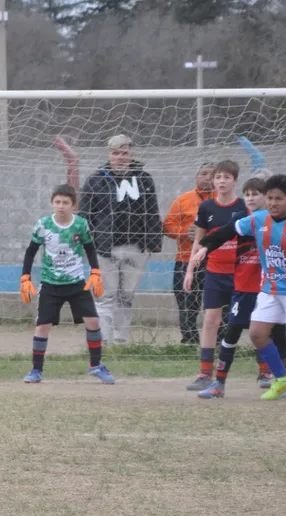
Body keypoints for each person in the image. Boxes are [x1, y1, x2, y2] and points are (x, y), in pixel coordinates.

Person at [192, 177, 286, 399]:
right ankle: (282, 379)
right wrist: (206, 247)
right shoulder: (258, 220)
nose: (273, 203)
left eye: (278, 199)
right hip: (269, 290)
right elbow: (227, 231)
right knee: (256, 334)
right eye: (270, 198)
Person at [20, 184, 114, 385]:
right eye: (57, 202)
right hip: (50, 284)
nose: (61, 206)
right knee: (42, 326)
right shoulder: (44, 225)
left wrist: (95, 272)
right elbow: (30, 251)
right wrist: (25, 278)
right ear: (52, 204)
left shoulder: (80, 224)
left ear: (73, 205)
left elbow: (90, 248)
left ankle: (96, 366)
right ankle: (36, 370)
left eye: (65, 203)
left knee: (93, 322)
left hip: (77, 283)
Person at [79, 134, 162, 344]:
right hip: (105, 248)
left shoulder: (144, 179)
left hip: (136, 247)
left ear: (131, 153)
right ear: (109, 154)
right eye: (116, 153)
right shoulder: (96, 179)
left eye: (124, 153)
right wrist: (88, 244)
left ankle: (121, 341)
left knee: (126, 296)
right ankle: (103, 340)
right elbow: (85, 215)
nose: (120, 157)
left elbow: (152, 212)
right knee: (106, 295)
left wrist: (151, 244)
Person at [183, 160, 247, 391]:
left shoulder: (244, 207)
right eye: (218, 177)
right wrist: (190, 270)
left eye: (226, 177)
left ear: (234, 181)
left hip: (241, 274)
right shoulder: (207, 207)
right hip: (214, 273)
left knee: (253, 321)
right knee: (211, 321)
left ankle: (266, 372)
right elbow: (199, 241)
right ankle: (204, 373)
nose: (221, 181)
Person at [162, 162, 213, 344]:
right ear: (196, 177)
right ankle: (189, 341)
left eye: (212, 174)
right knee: (186, 303)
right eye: (204, 173)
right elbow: (167, 226)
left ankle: (216, 341)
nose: (207, 177)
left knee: (215, 304)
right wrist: (185, 232)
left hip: (215, 261)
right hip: (186, 259)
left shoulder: (224, 201)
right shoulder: (183, 200)